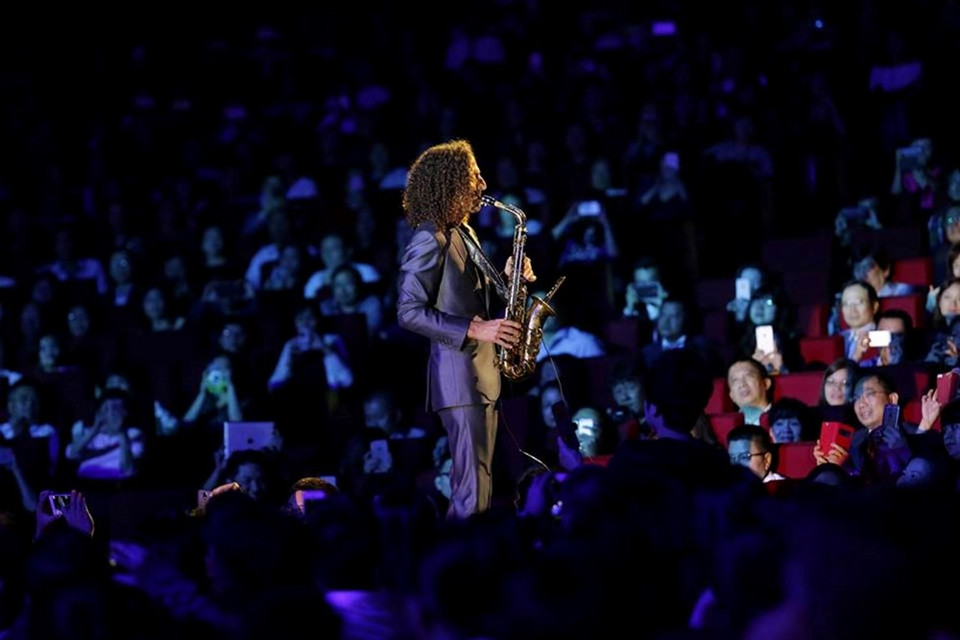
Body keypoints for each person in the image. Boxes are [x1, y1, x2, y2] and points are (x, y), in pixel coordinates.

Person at [396, 139, 535, 520]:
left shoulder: (463, 233)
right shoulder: (430, 237)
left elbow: (481, 302)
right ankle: (464, 563)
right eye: (474, 177)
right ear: (451, 182)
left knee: (481, 484)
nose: (483, 185)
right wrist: (476, 329)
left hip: (481, 375)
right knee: (471, 490)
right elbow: (408, 312)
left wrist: (510, 280)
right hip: (460, 376)